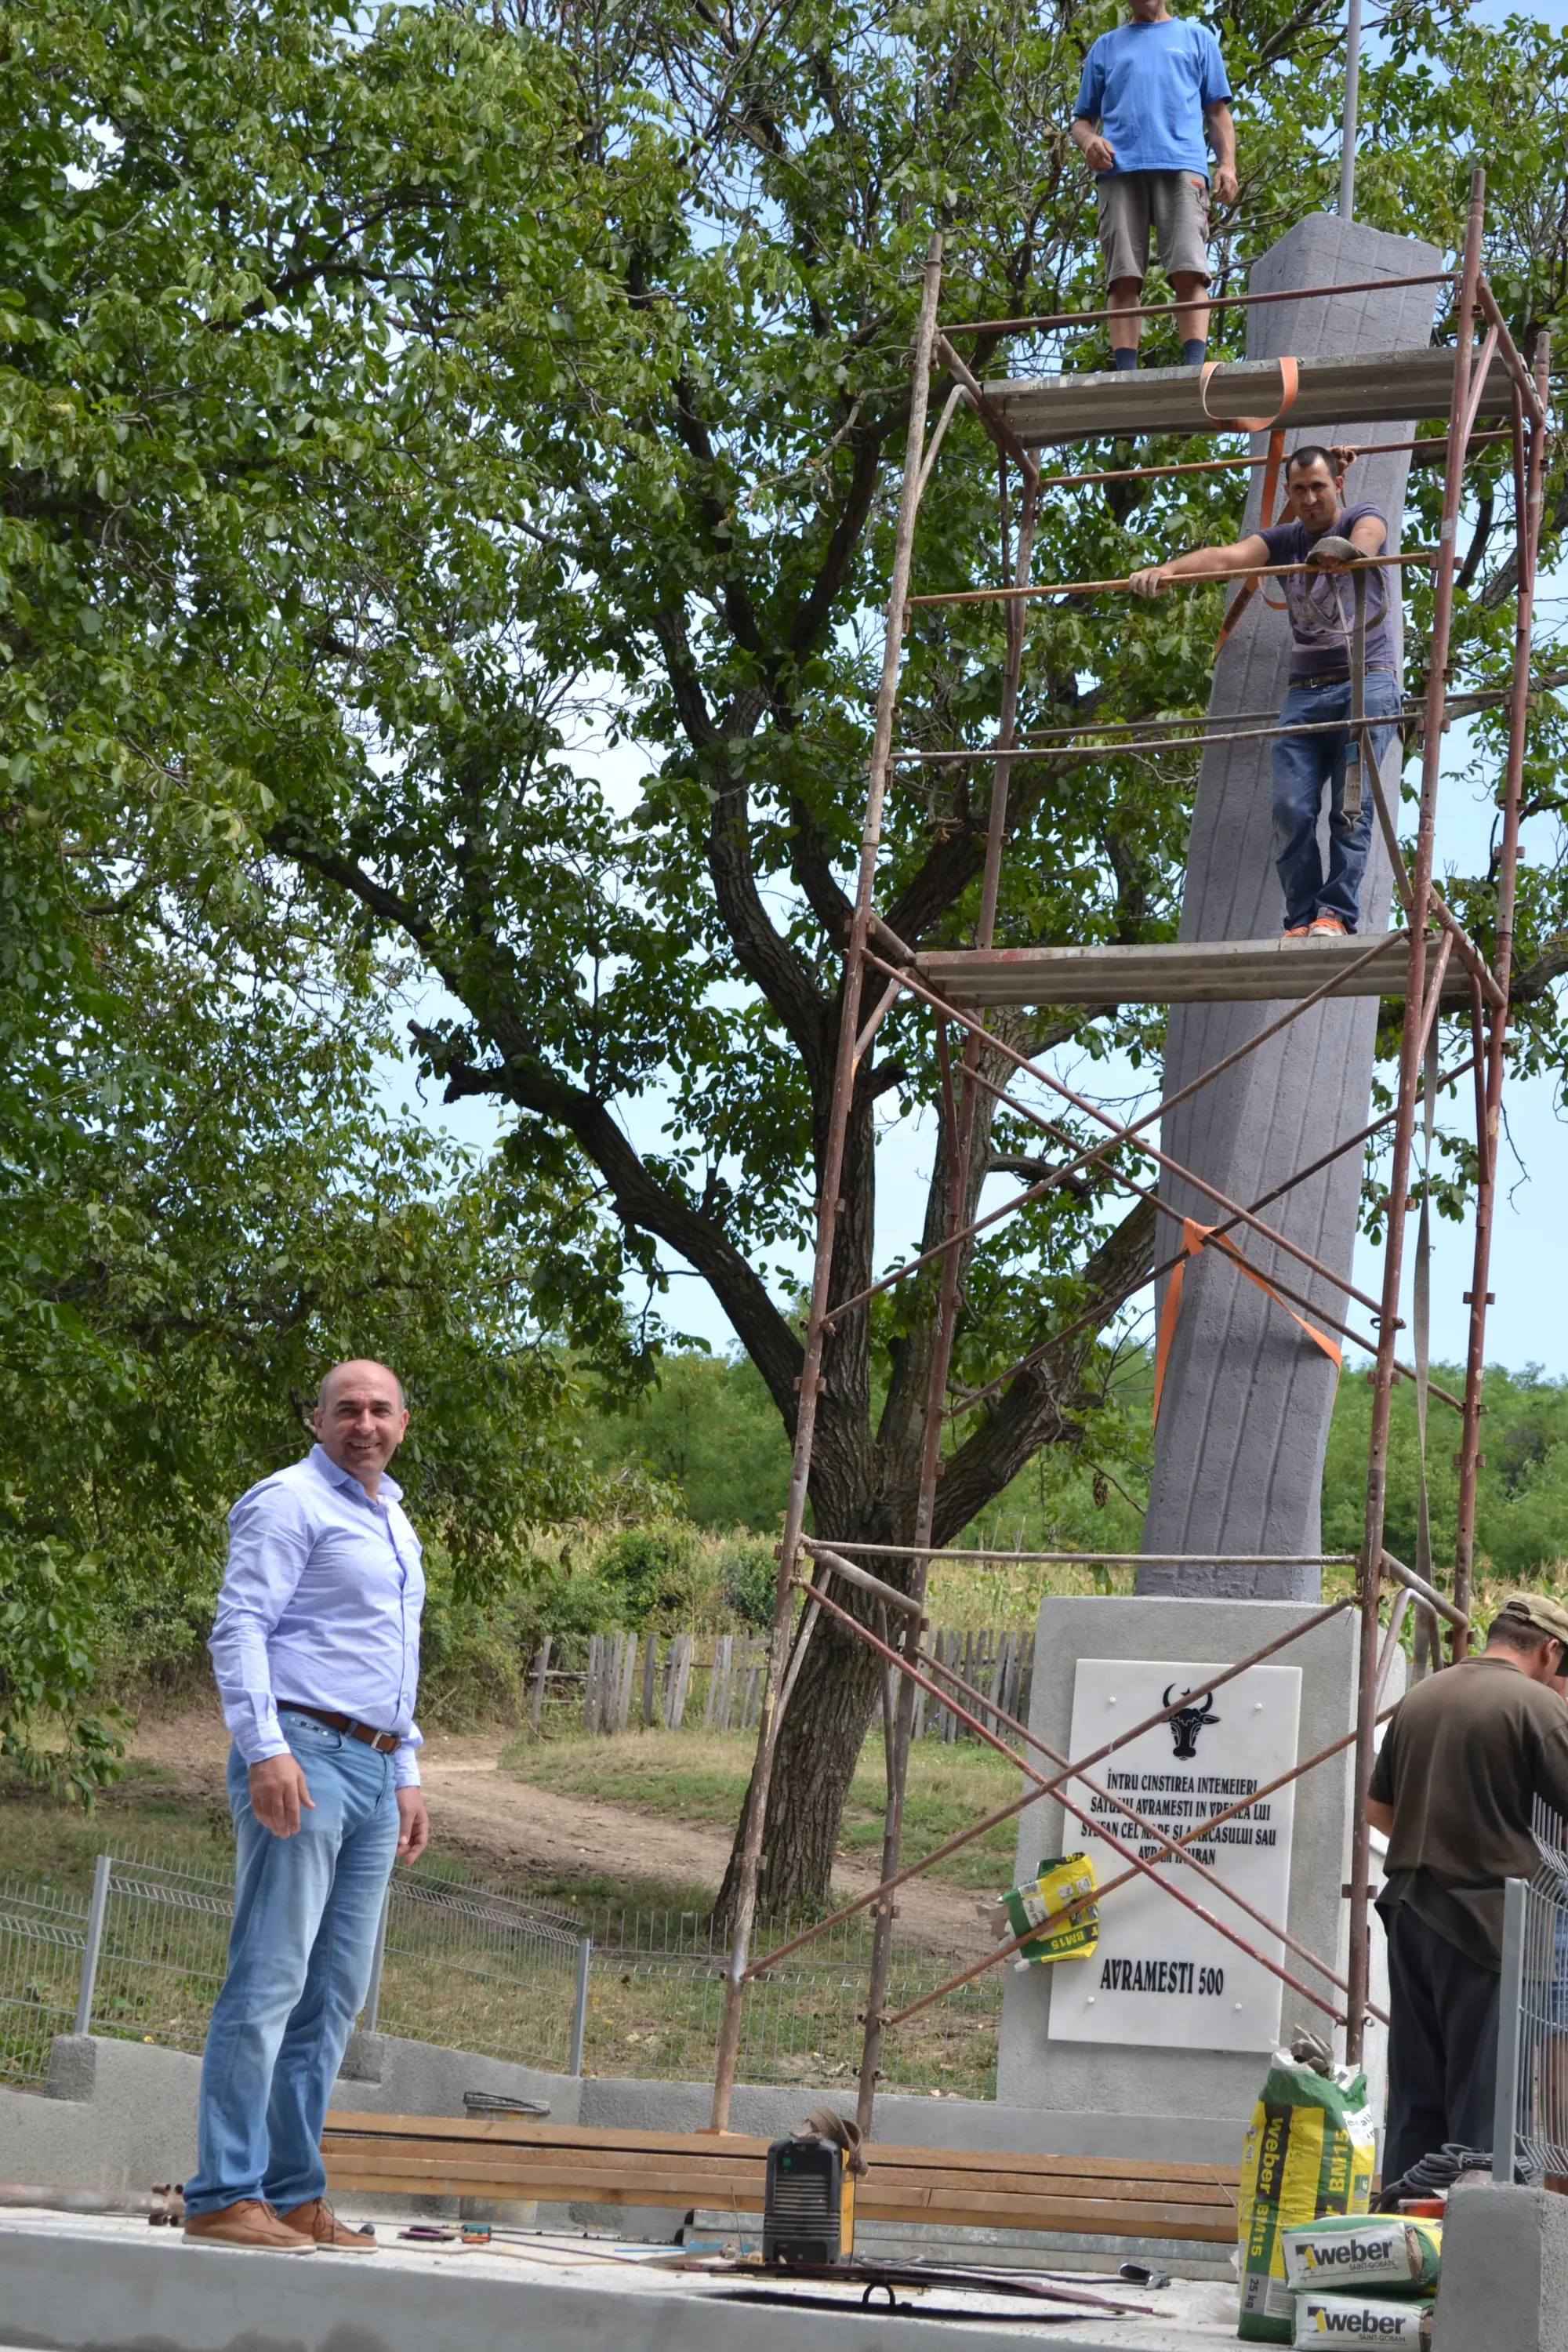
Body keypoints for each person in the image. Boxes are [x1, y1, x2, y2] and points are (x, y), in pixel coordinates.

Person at [183, 1359, 430, 2252]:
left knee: (332, 1994)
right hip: (304, 1753)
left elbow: (389, 1653)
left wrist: (408, 1768)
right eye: (345, 1409)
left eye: (378, 1409)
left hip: (371, 1766)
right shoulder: (287, 1502)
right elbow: (240, 1624)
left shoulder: (392, 1516)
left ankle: (292, 2196)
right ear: (316, 1419)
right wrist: (266, 1749)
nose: (363, 1422)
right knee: (271, 1978)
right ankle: (221, 2192)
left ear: (403, 1421)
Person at [1130, 445, 1398, 938]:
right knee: (1291, 810)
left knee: (1349, 808)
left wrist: (1347, 554)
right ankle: (1301, 919)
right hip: (1305, 691)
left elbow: (1369, 536)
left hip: (1365, 682)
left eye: (1319, 486)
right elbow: (1229, 557)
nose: (1310, 498)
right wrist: (1168, 571)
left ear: (1337, 484)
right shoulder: (1286, 539)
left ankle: (1334, 916)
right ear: (1291, 496)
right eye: (1299, 490)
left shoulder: (1360, 515)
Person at [1366, 1593, 1568, 2185]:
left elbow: (1378, 1810)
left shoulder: (1423, 1697)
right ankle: (1469, 2263)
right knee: (1484, 2112)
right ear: (1550, 1650)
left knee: (1414, 2101)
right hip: (1487, 1925)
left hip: (1409, 1911)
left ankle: (1400, 2247)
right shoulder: (1534, 1705)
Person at [1071, 0, 1237, 372]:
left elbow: (1218, 112)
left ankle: (1195, 366)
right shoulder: (1106, 46)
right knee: (1122, 276)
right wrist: (1089, 143)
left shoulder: (1197, 39)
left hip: (1182, 166)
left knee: (1189, 267)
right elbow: (1082, 121)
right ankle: (1126, 376)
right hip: (1120, 170)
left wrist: (1227, 165)